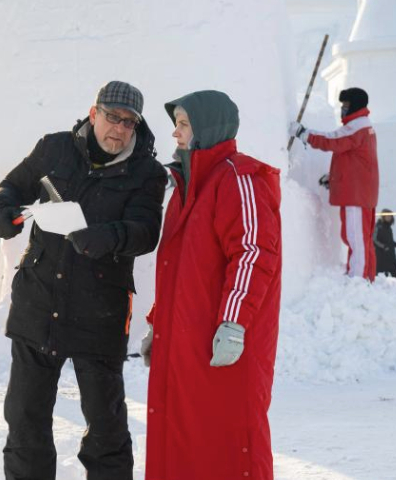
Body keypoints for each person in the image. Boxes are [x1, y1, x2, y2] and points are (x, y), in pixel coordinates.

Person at [0, 80, 167, 480]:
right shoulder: (54, 148)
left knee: (107, 430)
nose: (118, 129)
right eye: (111, 117)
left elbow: (145, 230)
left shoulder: (147, 173)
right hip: (39, 302)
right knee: (25, 421)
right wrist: (1, 208)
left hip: (99, 311)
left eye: (128, 122)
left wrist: (107, 236)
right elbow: (13, 186)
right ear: (93, 112)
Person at [142, 91, 282, 480]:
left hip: (224, 343)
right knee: (185, 441)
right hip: (189, 343)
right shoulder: (189, 186)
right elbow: (179, 269)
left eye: (183, 124)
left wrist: (234, 324)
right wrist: (159, 324)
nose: (175, 133)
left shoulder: (239, 179)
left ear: (208, 127)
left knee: (229, 443)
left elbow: (254, 254)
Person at [289, 87, 379, 281]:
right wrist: (335, 178)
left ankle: (359, 280)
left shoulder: (356, 127)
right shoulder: (363, 127)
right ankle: (364, 276)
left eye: (346, 105)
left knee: (356, 239)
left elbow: (332, 141)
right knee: (358, 236)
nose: (343, 109)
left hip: (357, 194)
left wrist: (304, 134)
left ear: (355, 106)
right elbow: (354, 161)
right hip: (360, 190)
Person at [374, 209, 396, 277]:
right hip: (381, 255)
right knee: (381, 276)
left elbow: (389, 240)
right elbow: (374, 240)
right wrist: (383, 246)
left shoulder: (389, 228)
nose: (389, 217)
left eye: (390, 216)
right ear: (383, 217)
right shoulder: (378, 226)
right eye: (387, 216)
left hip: (390, 255)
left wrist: (394, 244)